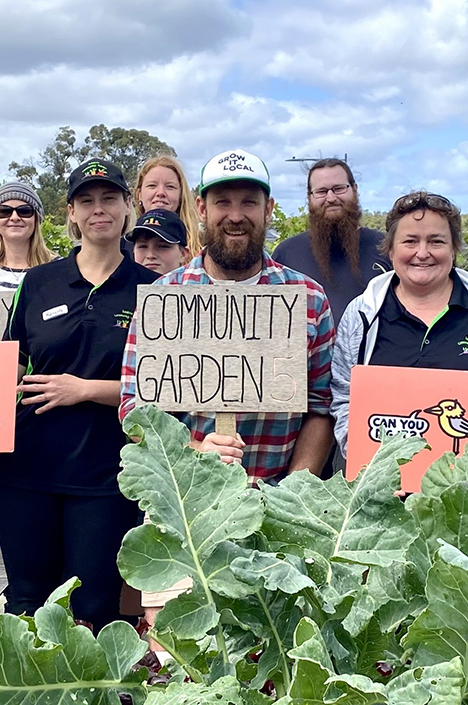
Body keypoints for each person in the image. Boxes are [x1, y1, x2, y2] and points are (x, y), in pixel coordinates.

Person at [119, 148, 335, 631]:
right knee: (177, 647)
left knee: (272, 650)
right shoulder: (167, 297)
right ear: (201, 208)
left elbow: (322, 409)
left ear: (269, 210)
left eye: (248, 203)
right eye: (223, 203)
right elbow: (135, 410)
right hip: (183, 507)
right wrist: (195, 450)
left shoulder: (308, 299)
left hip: (276, 506)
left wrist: (294, 490)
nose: (235, 216)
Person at [0, 157, 159, 632]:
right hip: (25, 471)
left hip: (106, 476)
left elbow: (163, 388)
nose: (98, 209)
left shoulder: (154, 290)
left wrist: (85, 390)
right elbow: (5, 364)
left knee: (93, 611)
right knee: (25, 604)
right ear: (71, 212)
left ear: (129, 207)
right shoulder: (39, 282)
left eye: (109, 198)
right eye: (86, 200)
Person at [331, 191, 468, 458]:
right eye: (410, 241)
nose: (422, 253)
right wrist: (367, 465)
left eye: (436, 241)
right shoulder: (362, 314)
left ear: (454, 249)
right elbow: (343, 397)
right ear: (391, 250)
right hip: (383, 485)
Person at [272, 158, 388, 325]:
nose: (331, 198)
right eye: (321, 191)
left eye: (339, 188)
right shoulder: (286, 254)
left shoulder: (385, 247)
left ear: (354, 189)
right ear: (309, 197)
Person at [134, 156, 202, 256]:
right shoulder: (122, 247)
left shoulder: (204, 245)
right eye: (152, 185)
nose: (161, 193)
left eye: (170, 187)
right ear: (139, 195)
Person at [127, 209, 190, 276]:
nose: (150, 255)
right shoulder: (120, 285)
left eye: (162, 246)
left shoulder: (196, 284)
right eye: (143, 246)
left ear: (183, 254)